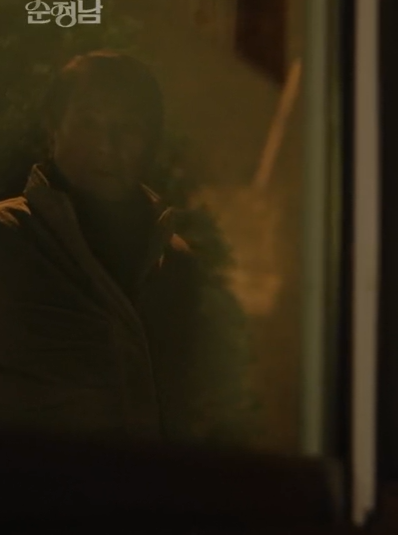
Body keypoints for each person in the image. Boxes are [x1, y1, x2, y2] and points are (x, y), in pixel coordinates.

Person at [0, 50, 251, 445]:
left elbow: (199, 406)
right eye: (88, 123)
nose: (106, 145)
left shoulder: (175, 261)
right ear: (54, 126)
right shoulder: (9, 238)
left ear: (151, 140)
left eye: (128, 128)